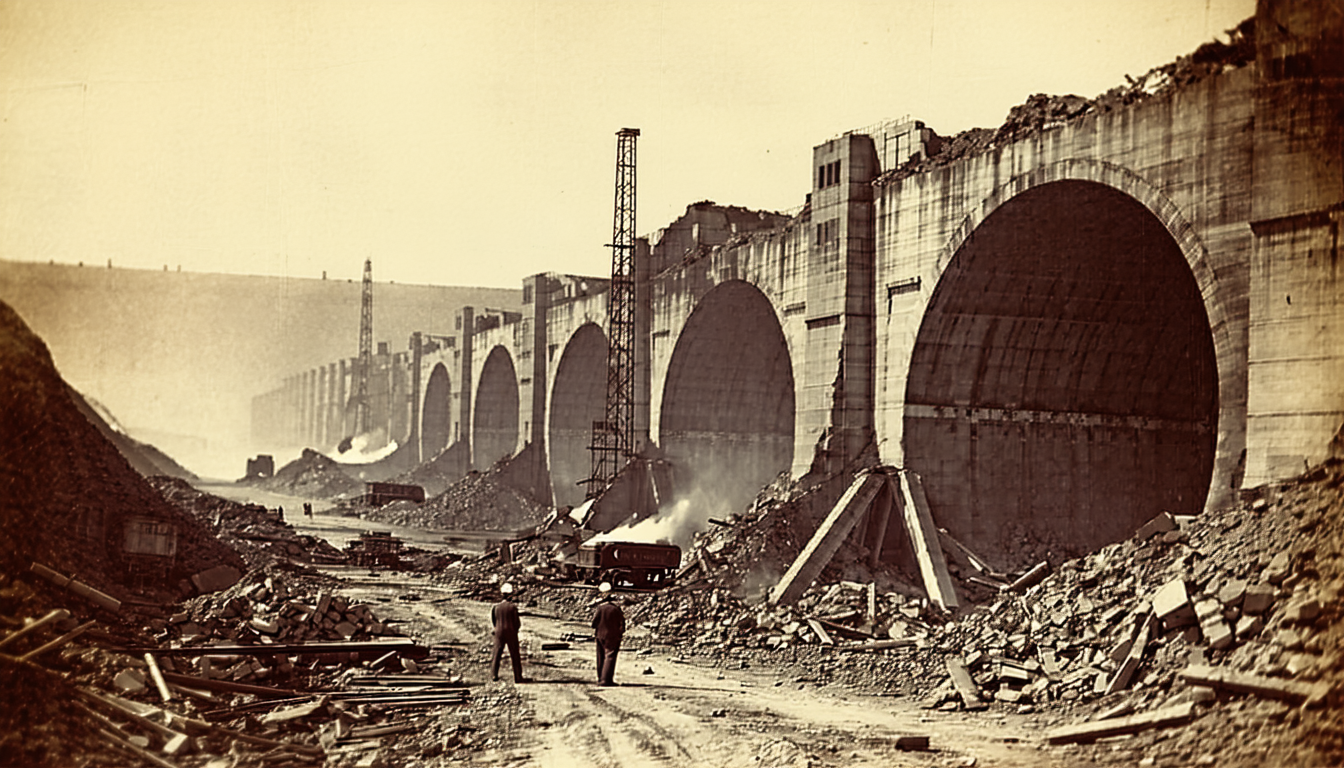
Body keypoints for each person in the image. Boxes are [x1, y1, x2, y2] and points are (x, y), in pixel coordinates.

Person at [490, 583, 525, 683]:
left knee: (497, 654)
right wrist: (515, 630)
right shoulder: (512, 607)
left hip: (499, 632)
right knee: (515, 655)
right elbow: (517, 622)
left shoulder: (495, 607)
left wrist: (497, 629)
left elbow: (494, 620)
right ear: (510, 595)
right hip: (511, 632)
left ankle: (494, 675)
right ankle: (518, 677)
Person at [591, 582, 625, 686]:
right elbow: (622, 624)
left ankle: (600, 678)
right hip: (612, 636)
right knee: (610, 656)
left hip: (600, 635)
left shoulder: (600, 608)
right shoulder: (616, 609)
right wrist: (620, 633)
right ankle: (606, 680)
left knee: (600, 656)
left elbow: (593, 623)